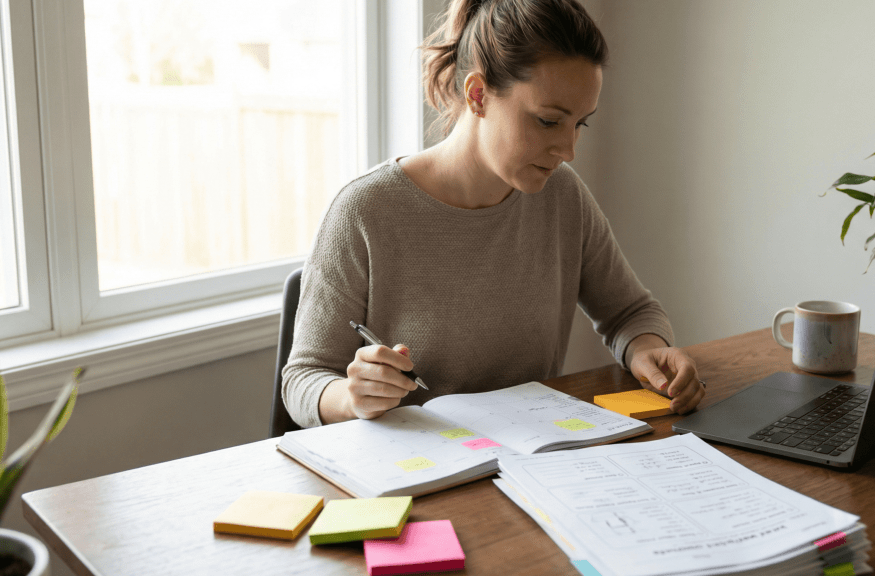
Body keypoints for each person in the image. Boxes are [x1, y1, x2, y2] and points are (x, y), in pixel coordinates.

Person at [283, 0, 705, 428]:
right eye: (547, 121)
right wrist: (353, 397)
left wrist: (648, 349)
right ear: (478, 95)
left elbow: (630, 312)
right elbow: (302, 381)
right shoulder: (365, 211)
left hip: (530, 461)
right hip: (417, 470)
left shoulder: (562, 197)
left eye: (581, 124)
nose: (569, 150)